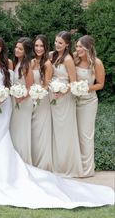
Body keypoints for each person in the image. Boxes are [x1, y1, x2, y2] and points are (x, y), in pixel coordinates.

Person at [0, 36, 114, 209]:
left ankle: (7, 166)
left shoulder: (11, 63)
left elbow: (19, 84)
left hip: (10, 102)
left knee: (3, 133)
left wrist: (9, 96)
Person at [50, 31, 83, 177]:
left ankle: (67, 166)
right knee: (56, 132)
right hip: (53, 97)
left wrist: (62, 91)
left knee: (65, 131)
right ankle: (56, 164)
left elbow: (73, 82)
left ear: (67, 45)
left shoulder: (68, 59)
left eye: (60, 43)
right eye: (56, 41)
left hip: (65, 98)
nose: (57, 45)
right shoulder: (53, 56)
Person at [74, 35, 105, 177]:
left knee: (86, 135)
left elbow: (100, 84)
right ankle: (75, 166)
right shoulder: (75, 59)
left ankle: (87, 170)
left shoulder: (96, 63)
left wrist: (85, 88)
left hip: (88, 102)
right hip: (73, 101)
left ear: (88, 48)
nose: (77, 49)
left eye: (80, 46)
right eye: (77, 46)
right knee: (74, 134)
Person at [10, 37, 34, 164]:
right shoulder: (17, 63)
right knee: (16, 130)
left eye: (20, 48)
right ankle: (16, 160)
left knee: (22, 131)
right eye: (16, 47)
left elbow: (30, 88)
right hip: (16, 101)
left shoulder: (26, 65)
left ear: (26, 52)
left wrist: (21, 97)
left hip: (24, 102)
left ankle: (24, 161)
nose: (16, 50)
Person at [31, 35, 53, 171]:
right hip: (31, 100)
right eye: (36, 46)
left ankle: (43, 164)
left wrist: (37, 96)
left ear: (45, 48)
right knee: (33, 132)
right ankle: (33, 161)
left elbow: (46, 85)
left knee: (41, 131)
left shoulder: (47, 64)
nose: (39, 49)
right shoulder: (32, 61)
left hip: (42, 100)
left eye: (41, 46)